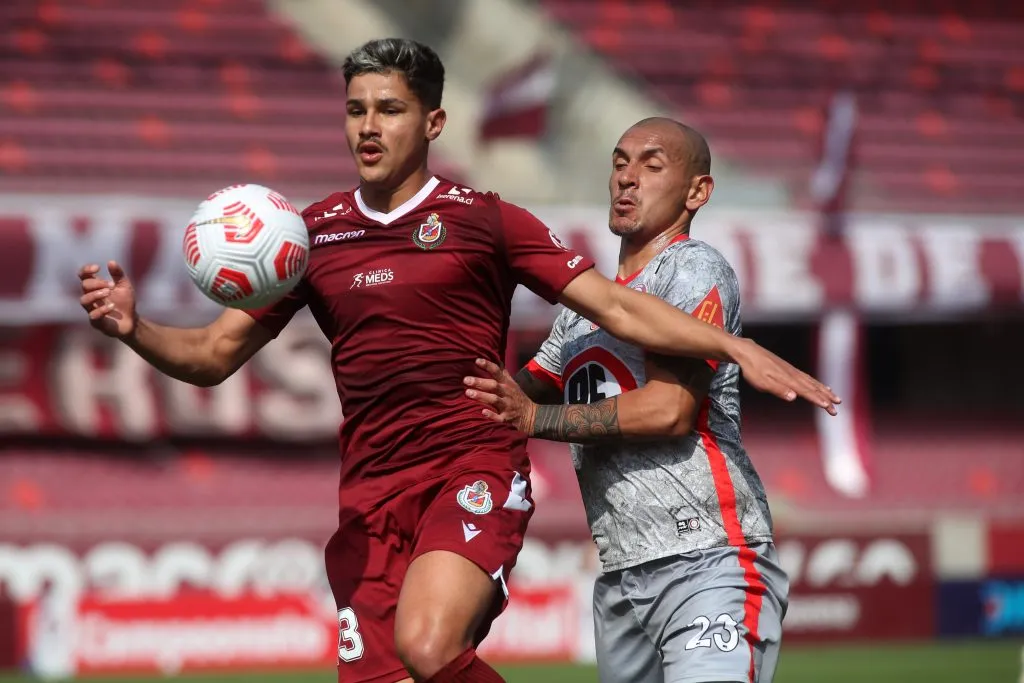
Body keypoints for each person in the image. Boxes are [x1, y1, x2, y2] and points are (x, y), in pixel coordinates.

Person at [77, 40, 835, 683]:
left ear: (433, 121)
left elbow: (617, 305)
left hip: (470, 466)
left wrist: (731, 343)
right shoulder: (309, 237)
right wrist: (136, 327)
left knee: (431, 643)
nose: (368, 126)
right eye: (356, 109)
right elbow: (213, 354)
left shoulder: (485, 220)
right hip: (371, 493)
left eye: (390, 109)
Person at [463, 118, 793, 683]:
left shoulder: (692, 268)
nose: (627, 178)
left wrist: (535, 417)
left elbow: (670, 411)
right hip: (621, 575)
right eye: (619, 163)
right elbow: (509, 400)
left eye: (651, 165)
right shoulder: (582, 310)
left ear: (697, 192)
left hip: (707, 558)